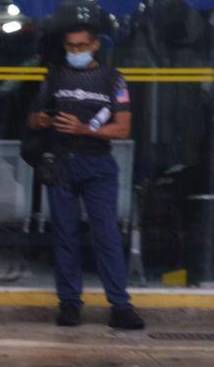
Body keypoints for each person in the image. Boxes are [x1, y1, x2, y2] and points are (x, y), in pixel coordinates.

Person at [28, 23, 145, 329]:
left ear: (95, 46)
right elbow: (32, 117)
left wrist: (84, 129)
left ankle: (120, 305)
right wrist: (41, 120)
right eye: (71, 47)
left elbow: (123, 128)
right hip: (62, 165)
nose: (75, 52)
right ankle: (69, 303)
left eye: (81, 46)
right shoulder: (54, 76)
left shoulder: (112, 79)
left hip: (98, 165)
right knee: (64, 237)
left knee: (106, 235)